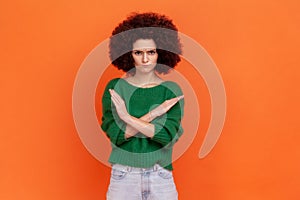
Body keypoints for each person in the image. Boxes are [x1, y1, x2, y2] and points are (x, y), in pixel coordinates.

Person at [101, 12, 184, 200]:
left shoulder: (170, 91)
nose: (145, 59)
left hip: (160, 177)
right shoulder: (115, 88)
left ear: (161, 54)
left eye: (151, 52)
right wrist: (155, 113)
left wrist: (126, 118)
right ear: (128, 55)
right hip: (124, 177)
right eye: (138, 53)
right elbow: (117, 136)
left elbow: (166, 138)